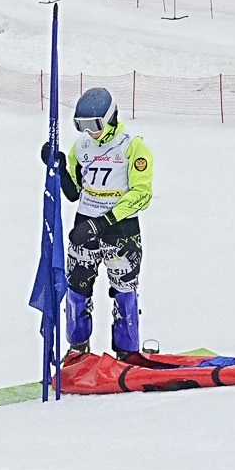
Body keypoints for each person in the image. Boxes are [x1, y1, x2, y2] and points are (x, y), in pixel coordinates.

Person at [41, 86, 154, 356]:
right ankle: (77, 348)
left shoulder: (133, 147)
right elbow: (73, 193)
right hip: (84, 229)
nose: (90, 132)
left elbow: (142, 195)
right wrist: (57, 167)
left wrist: (102, 223)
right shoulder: (82, 147)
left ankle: (127, 351)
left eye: (94, 125)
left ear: (110, 117)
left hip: (120, 232)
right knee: (77, 288)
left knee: (123, 292)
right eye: (83, 126)